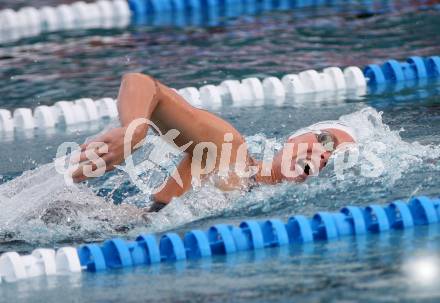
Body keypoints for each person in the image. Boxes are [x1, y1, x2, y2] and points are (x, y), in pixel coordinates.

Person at [71, 73, 356, 211]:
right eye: (325, 140)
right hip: (86, 222)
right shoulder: (230, 152)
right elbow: (142, 84)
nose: (322, 154)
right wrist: (134, 131)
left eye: (331, 159)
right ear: (294, 137)